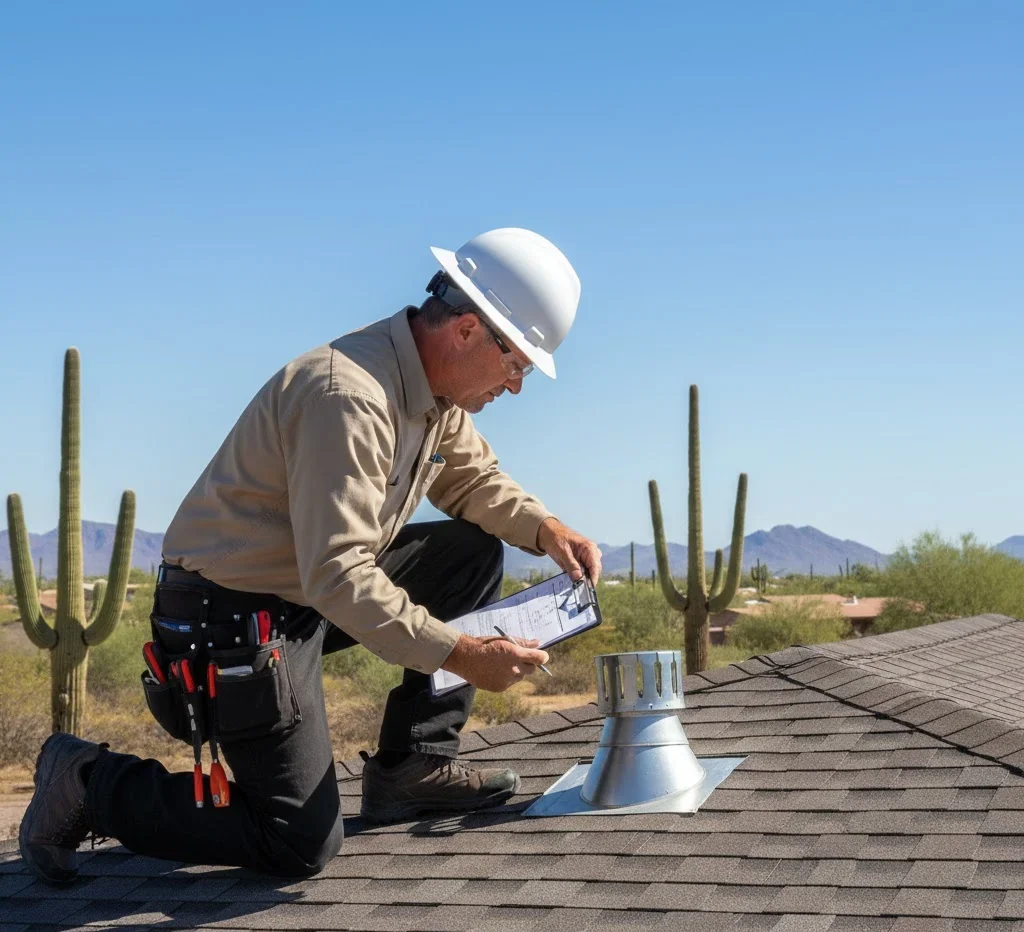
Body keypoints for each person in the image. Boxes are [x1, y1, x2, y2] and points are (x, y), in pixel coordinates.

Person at [19, 227, 603, 885]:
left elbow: (470, 481)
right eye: (518, 361)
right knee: (296, 844)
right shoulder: (350, 395)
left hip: (302, 594)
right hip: (229, 624)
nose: (517, 384)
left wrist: (545, 529)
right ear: (467, 330)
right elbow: (340, 576)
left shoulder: (433, 395)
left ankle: (413, 767)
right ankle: (89, 781)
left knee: (469, 551)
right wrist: (462, 656)